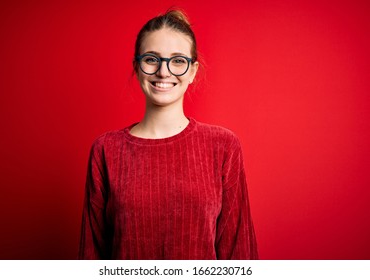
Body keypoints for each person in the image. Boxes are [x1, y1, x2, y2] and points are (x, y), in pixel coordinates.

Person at [78, 9, 258, 260]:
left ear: (193, 71)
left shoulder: (223, 146)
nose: (164, 72)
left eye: (178, 61)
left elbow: (239, 252)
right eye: (152, 59)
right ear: (137, 66)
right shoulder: (106, 150)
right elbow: (91, 255)